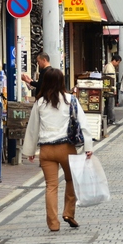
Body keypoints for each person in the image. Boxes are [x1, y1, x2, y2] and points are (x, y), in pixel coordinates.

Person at [21, 68, 93, 232]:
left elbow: (33, 128)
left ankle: (53, 224)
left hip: (46, 151)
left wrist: (30, 151)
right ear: (62, 82)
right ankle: (68, 212)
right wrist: (88, 146)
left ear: (45, 82)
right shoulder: (70, 100)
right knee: (71, 180)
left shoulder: (39, 103)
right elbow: (83, 124)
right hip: (66, 148)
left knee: (51, 186)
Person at [103, 53, 121, 125]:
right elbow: (110, 80)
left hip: (107, 89)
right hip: (109, 90)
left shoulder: (108, 66)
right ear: (114, 60)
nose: (118, 64)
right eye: (118, 62)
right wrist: (113, 89)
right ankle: (111, 119)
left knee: (107, 105)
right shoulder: (110, 68)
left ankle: (106, 119)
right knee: (110, 105)